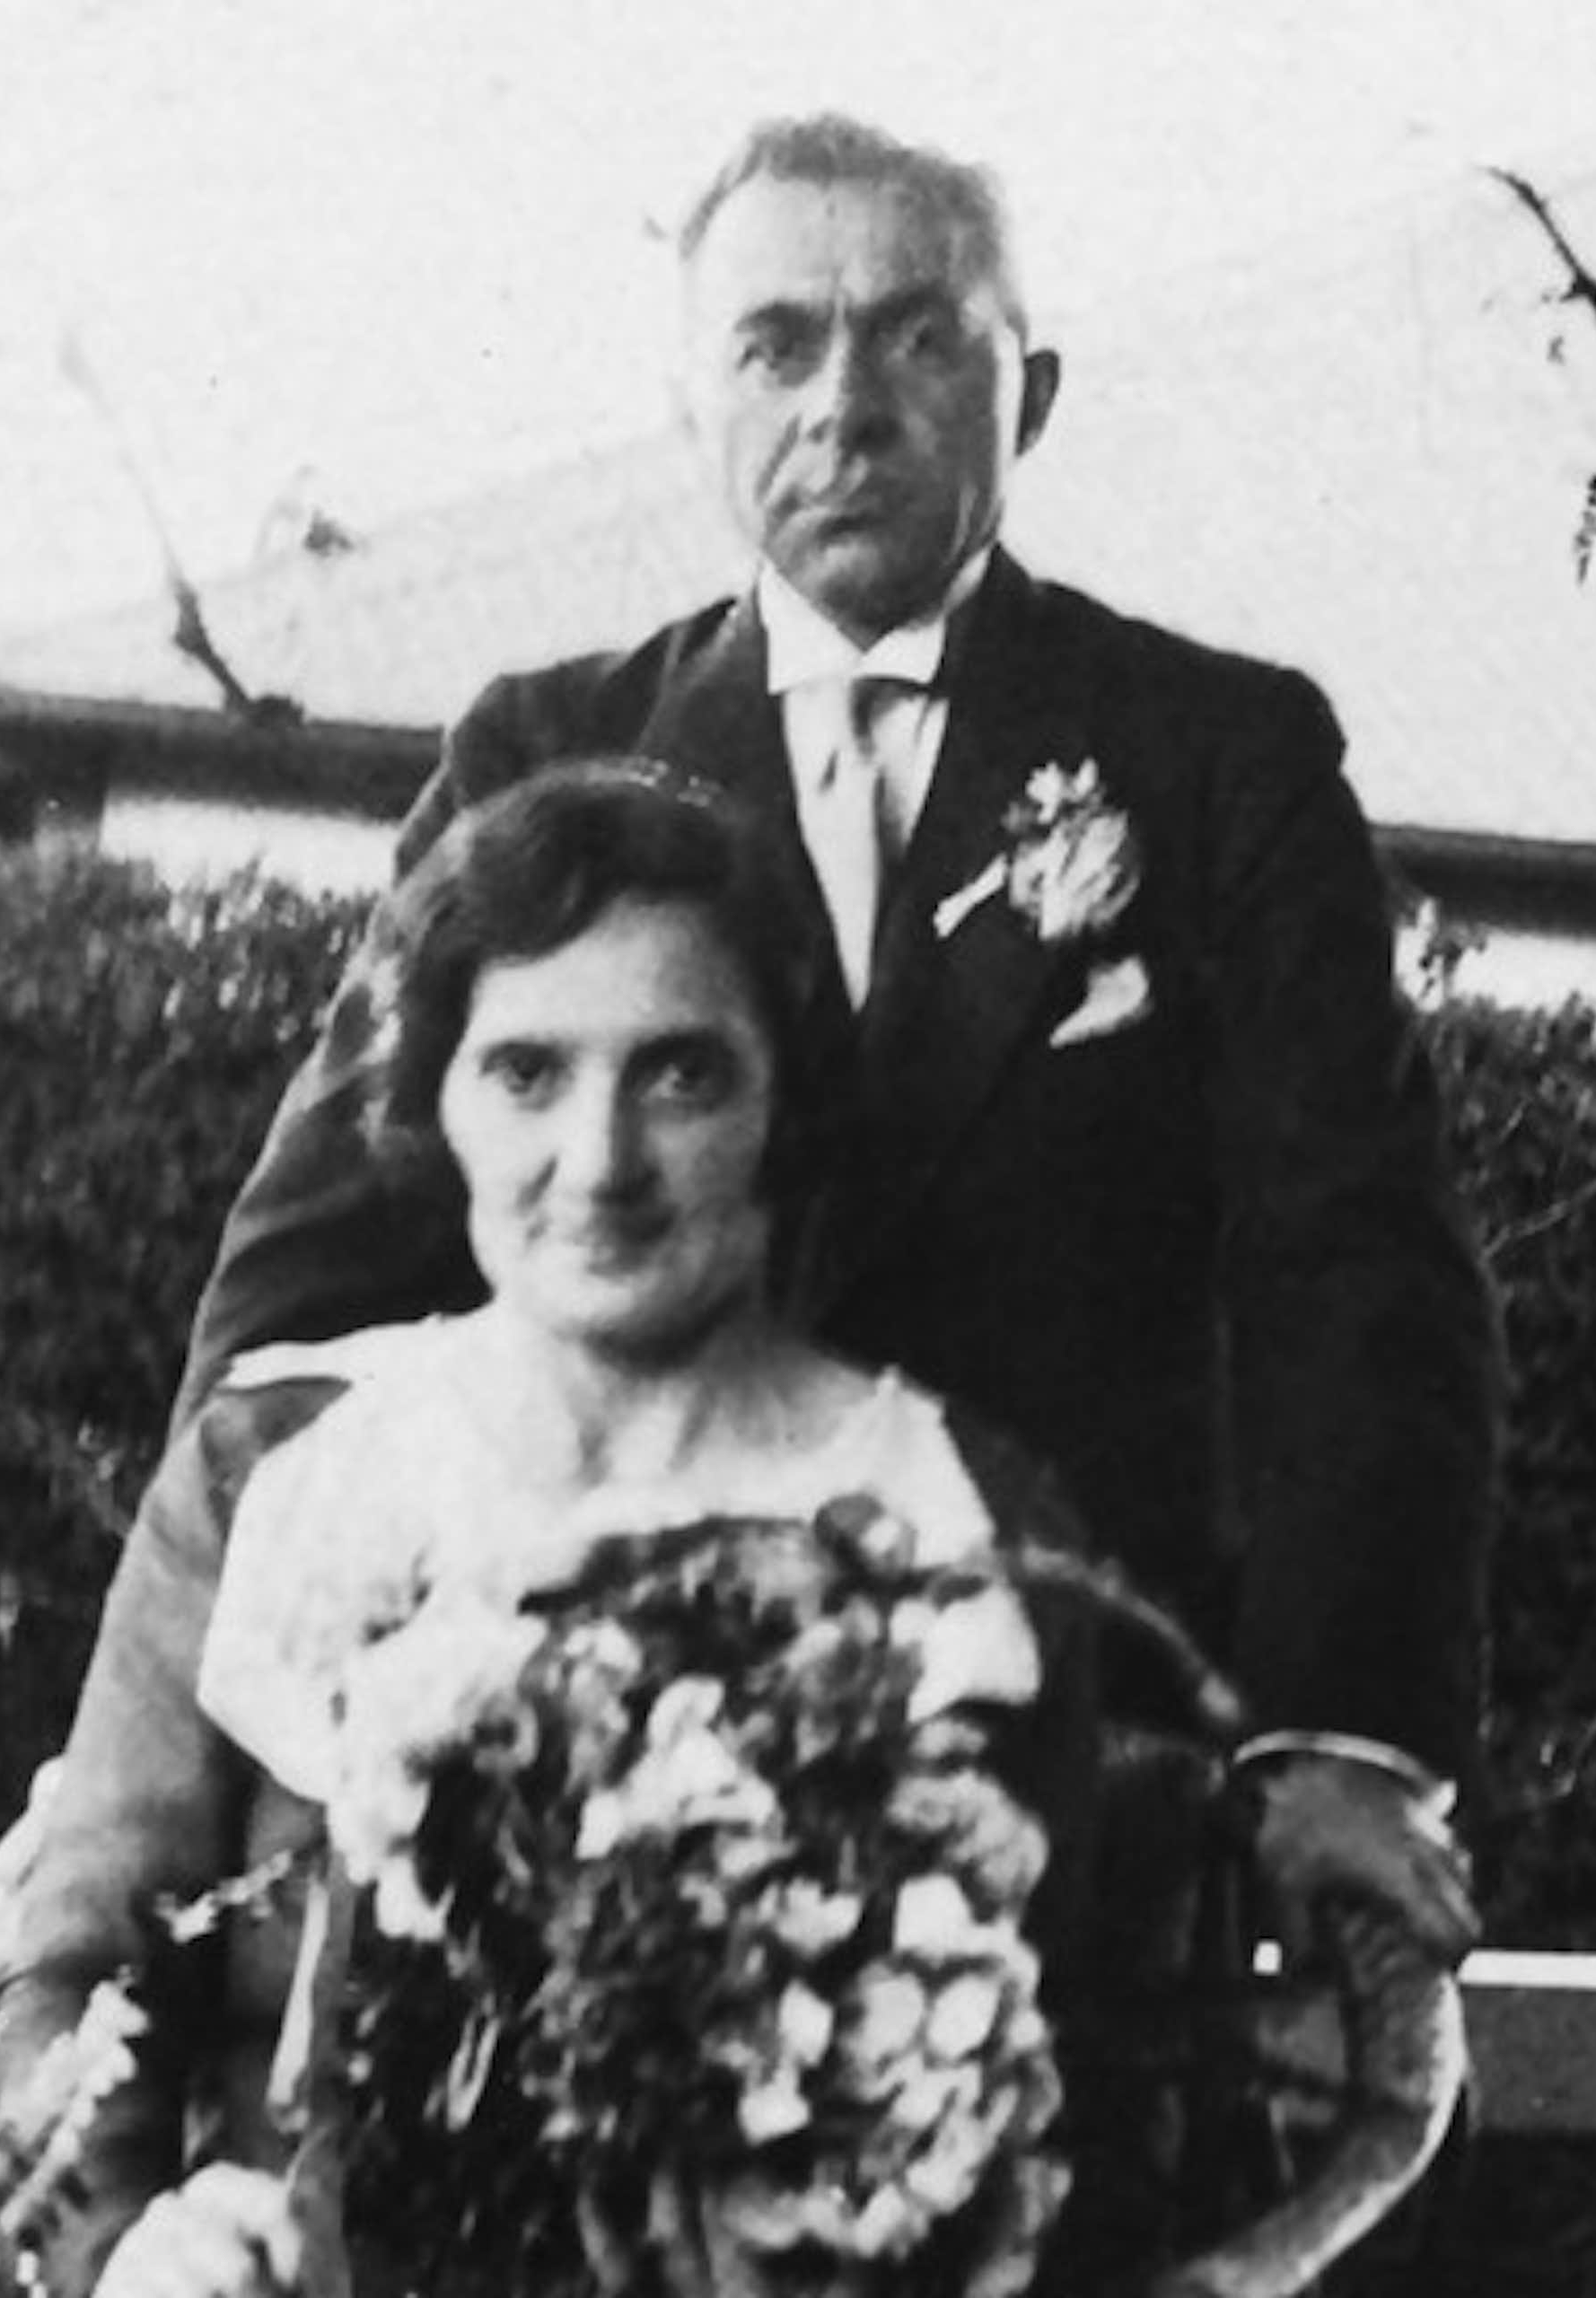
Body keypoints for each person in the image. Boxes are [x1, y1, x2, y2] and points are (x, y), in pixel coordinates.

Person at [173, 112, 1501, 1963]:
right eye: (776, 343)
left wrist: (1339, 1736)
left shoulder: (1216, 761)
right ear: (690, 410)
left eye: (916, 335)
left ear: (1025, 391)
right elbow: (314, 1281)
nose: (845, 404)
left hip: (1063, 1768)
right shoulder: (542, 755)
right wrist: (179, 1750)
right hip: (593, 1764)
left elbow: (1354, 1280)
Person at [0, 763, 1118, 2298]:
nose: (600, 1164)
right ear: (432, 1098)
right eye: (525, 1072)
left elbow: (1072, 2092)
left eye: (681, 1075)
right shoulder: (286, 1470)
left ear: (783, 1103)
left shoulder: (964, 1522)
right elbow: (84, 1970)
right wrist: (131, 2246)